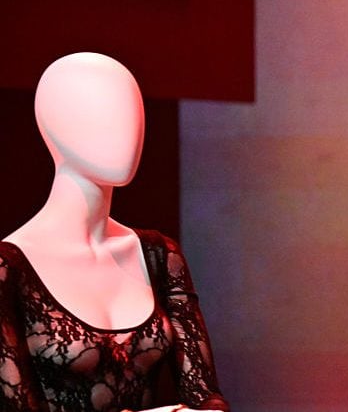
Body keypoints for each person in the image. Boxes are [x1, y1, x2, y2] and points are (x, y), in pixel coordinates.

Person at [0, 52, 229, 412]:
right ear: (54, 124)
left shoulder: (159, 255)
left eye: (134, 115)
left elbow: (205, 397)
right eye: (99, 114)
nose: (126, 133)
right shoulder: (8, 270)